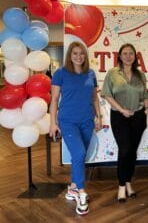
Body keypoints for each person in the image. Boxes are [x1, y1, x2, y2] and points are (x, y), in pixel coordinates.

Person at [49, 41, 102, 215]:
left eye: (81, 53)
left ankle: (72, 188)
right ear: (69, 56)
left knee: (79, 157)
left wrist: (98, 117)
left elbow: (94, 98)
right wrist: (52, 123)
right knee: (79, 154)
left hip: (87, 120)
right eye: (75, 53)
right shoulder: (60, 74)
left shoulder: (91, 74)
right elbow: (55, 100)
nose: (78, 57)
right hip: (68, 121)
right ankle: (81, 193)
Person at [101, 43, 148, 203]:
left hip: (138, 117)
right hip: (119, 117)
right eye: (125, 53)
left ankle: (129, 183)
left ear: (135, 57)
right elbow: (107, 95)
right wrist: (122, 110)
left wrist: (147, 107)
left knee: (133, 151)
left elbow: (144, 94)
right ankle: (121, 185)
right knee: (124, 150)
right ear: (120, 56)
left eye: (131, 53)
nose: (128, 56)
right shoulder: (112, 74)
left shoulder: (140, 75)